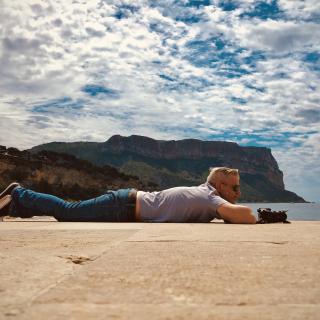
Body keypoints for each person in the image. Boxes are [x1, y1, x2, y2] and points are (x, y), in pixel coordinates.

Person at [0, 167, 257, 224]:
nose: (238, 192)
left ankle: (15, 205)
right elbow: (246, 217)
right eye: (235, 188)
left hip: (125, 203)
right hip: (122, 205)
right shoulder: (210, 197)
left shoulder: (207, 194)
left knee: (70, 210)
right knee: (68, 212)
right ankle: (20, 193)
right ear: (221, 186)